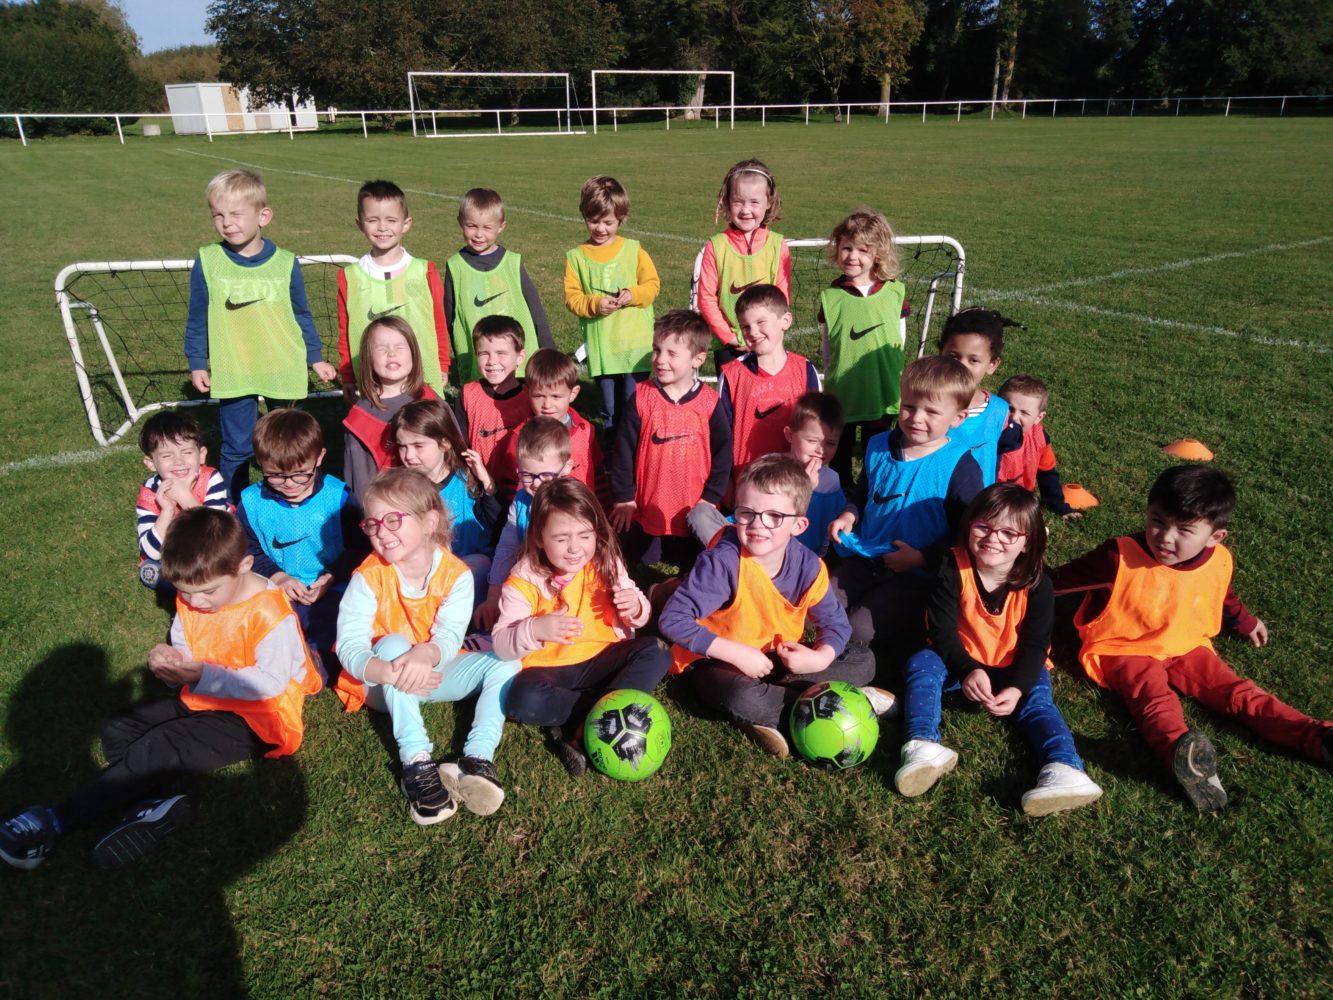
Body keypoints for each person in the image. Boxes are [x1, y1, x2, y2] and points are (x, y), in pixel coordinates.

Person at [0, 508, 320, 870]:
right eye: (186, 592)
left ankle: (55, 821)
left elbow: (269, 684)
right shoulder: (194, 597)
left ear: (244, 566)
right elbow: (186, 645)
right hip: (205, 696)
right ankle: (154, 805)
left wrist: (200, 675)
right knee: (119, 725)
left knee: (161, 745)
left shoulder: (269, 613)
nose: (196, 602)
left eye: (207, 592)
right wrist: (171, 663)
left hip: (260, 719)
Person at [1054, 465, 1333, 811]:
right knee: (1154, 701)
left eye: (1184, 530)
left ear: (1216, 537)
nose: (1164, 537)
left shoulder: (1219, 561)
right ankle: (1182, 756)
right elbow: (1052, 585)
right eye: (1157, 520)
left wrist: (1245, 622)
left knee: (1237, 692)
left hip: (1186, 644)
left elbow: (1222, 595)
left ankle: (1317, 736)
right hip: (1124, 648)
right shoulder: (1117, 556)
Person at [660, 455, 893, 759]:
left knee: (864, 659)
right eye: (746, 513)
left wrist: (818, 658)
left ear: (799, 525)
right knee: (739, 694)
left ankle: (782, 709)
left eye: (774, 516)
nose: (757, 525)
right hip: (715, 660)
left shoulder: (809, 566)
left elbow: (836, 626)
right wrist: (735, 653)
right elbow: (673, 619)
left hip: (777, 661)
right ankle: (834, 703)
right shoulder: (723, 562)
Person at [895, 484, 1104, 815]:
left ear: (1028, 542)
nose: (993, 538)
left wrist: (1018, 687)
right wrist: (967, 669)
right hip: (957, 661)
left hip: (1016, 665)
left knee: (1037, 704)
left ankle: (1065, 769)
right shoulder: (952, 567)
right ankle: (923, 745)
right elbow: (941, 631)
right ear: (969, 526)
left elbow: (1036, 645)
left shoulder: (1039, 584)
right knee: (923, 663)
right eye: (984, 527)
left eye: (1009, 533)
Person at [333, 469, 522, 824]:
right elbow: (350, 646)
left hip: (431, 672)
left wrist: (427, 654)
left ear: (430, 520)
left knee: (506, 660)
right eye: (372, 524)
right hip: (379, 683)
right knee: (391, 643)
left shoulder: (456, 574)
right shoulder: (368, 576)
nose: (382, 532)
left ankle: (477, 758)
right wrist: (387, 670)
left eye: (393, 520)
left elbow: (449, 635)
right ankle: (416, 762)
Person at [493, 479, 671, 777]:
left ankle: (573, 724)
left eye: (584, 535)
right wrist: (535, 629)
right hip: (551, 669)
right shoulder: (523, 579)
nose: (575, 548)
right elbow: (500, 643)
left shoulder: (606, 561)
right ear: (538, 537)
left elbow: (637, 609)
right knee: (522, 698)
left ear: (596, 532)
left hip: (603, 657)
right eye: (561, 538)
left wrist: (636, 608)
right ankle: (603, 716)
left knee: (657, 652)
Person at [183, 168, 337, 501]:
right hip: (235, 367)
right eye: (218, 215)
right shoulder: (208, 260)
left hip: (283, 365)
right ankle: (233, 509)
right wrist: (197, 360)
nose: (227, 223)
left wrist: (314, 357)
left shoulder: (285, 262)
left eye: (236, 214)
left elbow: (301, 313)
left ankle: (309, 500)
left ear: (263, 216)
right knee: (237, 447)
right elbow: (197, 316)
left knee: (293, 441)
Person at [829, 356, 983, 669]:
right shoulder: (879, 444)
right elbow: (864, 488)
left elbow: (967, 533)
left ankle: (900, 638)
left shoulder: (961, 467)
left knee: (858, 627)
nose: (916, 418)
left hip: (918, 575)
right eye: (909, 406)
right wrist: (849, 514)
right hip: (866, 556)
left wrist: (923, 557)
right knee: (820, 603)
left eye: (931, 412)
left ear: (958, 417)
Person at [236, 408, 363, 668]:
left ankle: (316, 663)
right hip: (274, 587)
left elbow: (359, 547)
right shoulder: (250, 502)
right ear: (260, 462)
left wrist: (331, 576)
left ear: (319, 458)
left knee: (333, 620)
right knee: (265, 620)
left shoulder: (339, 497)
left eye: (300, 473)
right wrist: (278, 577)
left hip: (331, 586)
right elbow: (246, 550)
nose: (290, 483)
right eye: (275, 475)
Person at [609, 309, 732, 566]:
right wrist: (625, 497)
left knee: (694, 566)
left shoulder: (709, 402)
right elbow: (622, 452)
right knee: (638, 564)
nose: (660, 359)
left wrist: (711, 497)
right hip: (646, 505)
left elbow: (723, 453)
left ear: (697, 359)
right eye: (656, 350)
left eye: (671, 353)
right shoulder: (641, 398)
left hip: (693, 503)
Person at [816, 209, 908, 482]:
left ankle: (871, 498)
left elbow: (899, 341)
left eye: (862, 250)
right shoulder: (831, 296)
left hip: (880, 390)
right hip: (844, 389)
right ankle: (840, 496)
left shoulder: (894, 291)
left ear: (877, 253)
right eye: (846, 248)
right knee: (839, 455)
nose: (852, 257)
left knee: (877, 453)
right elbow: (827, 347)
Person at [336, 179, 450, 399]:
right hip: (375, 382)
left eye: (391, 220)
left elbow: (438, 321)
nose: (382, 228)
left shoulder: (424, 271)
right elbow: (345, 329)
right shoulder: (349, 277)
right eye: (373, 220)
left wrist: (443, 363)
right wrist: (348, 375)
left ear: (405, 224)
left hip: (422, 377)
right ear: (360, 224)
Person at [563, 175, 660, 432]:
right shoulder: (576, 258)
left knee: (634, 406)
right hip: (603, 348)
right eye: (593, 221)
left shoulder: (634, 250)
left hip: (635, 347)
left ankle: (636, 455)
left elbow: (652, 286)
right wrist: (594, 303)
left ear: (621, 218)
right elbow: (572, 298)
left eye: (608, 222)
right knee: (610, 409)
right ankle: (610, 458)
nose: (600, 229)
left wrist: (632, 294)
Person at [391, 397, 501, 601]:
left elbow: (497, 524)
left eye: (418, 446)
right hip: (425, 576)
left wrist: (487, 483)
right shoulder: (403, 491)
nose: (408, 455)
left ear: (444, 443)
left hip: (469, 570)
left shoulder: (466, 480)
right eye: (402, 446)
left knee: (480, 564)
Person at [474, 417, 574, 632]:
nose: (536, 483)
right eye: (527, 475)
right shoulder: (520, 502)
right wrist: (493, 596)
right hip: (528, 580)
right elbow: (507, 548)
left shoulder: (573, 503)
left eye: (546, 475)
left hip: (569, 582)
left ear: (566, 468)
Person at [443, 187, 553, 382]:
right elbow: (449, 318)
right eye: (471, 226)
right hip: (481, 365)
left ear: (501, 226)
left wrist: (549, 349)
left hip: (517, 365)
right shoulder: (455, 266)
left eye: (487, 228)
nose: (478, 234)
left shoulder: (512, 262)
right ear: (460, 222)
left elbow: (535, 308)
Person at [717, 284, 820, 491]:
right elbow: (722, 434)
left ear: (785, 321)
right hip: (746, 485)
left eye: (761, 322)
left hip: (793, 485)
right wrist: (726, 482)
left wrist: (813, 471)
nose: (753, 332)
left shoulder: (805, 370)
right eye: (745, 326)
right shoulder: (731, 374)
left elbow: (816, 430)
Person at [693, 159, 792, 366]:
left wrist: (769, 330)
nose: (746, 210)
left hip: (767, 341)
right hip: (729, 346)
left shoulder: (777, 245)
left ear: (769, 203)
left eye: (754, 202)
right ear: (727, 202)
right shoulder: (716, 246)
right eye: (738, 202)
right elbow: (706, 298)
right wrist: (728, 336)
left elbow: (781, 296)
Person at [342, 316, 438, 501]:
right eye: (381, 348)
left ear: (414, 353)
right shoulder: (360, 421)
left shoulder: (431, 398)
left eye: (400, 347)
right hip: (393, 512)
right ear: (368, 358)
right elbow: (362, 490)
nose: (391, 354)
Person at [135, 409, 230, 592]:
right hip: (173, 556)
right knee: (149, 571)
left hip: (210, 548)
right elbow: (151, 552)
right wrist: (167, 511)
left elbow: (219, 536)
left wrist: (185, 497)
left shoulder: (211, 479)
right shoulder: (149, 491)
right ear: (150, 462)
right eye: (166, 456)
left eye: (186, 452)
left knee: (235, 552)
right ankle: (198, 583)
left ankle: (194, 583)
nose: (179, 462)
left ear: (201, 455)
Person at [504, 347, 609, 508]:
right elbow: (511, 485)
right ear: (527, 392)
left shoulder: (585, 430)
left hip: (584, 514)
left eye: (556, 396)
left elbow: (598, 475)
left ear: (573, 394)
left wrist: (604, 510)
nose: (547, 405)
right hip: (541, 517)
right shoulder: (520, 436)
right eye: (539, 396)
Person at [938, 307, 1022, 486]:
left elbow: (1005, 460)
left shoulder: (1000, 412)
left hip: (975, 505)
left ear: (992, 364)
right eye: (953, 356)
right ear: (940, 353)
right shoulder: (923, 404)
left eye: (973, 360)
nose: (961, 367)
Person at [453, 315, 531, 503]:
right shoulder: (468, 395)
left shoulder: (532, 395)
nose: (491, 361)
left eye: (501, 353)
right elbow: (459, 446)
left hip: (525, 490)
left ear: (520, 356)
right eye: (484, 353)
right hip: (481, 491)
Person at [996, 375, 1081, 519]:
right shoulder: (988, 436)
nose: (1014, 417)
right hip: (991, 499)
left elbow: (1047, 474)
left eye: (1024, 413)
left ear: (1038, 418)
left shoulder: (1040, 439)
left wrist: (1059, 506)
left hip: (1022, 499)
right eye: (1009, 409)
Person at [785, 392, 847, 559]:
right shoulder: (775, 470)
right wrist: (805, 487)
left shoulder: (831, 480)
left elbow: (832, 523)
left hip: (811, 559)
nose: (821, 450)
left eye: (831, 443)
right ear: (790, 435)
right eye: (812, 441)